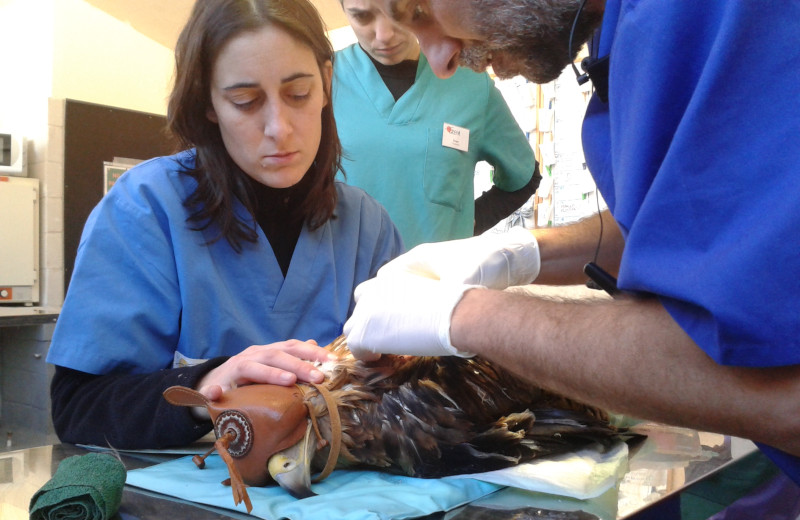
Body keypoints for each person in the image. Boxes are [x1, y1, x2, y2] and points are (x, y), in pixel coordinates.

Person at [343, 0, 800, 486]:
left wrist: (468, 316)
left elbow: (783, 396)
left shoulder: (712, 16)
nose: (439, 60)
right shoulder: (619, 31)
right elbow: (698, 226)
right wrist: (519, 254)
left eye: (418, 9)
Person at [46, 0, 404, 449]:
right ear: (210, 104)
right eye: (245, 101)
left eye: (298, 94)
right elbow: (79, 407)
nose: (280, 127)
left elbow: (406, 389)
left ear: (327, 83)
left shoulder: (366, 228)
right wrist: (208, 386)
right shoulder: (147, 210)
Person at [332, 0, 540, 248]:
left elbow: (524, 177)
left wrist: (466, 225)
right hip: (344, 283)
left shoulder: (471, 86)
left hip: (438, 283)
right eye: (363, 17)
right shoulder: (322, 80)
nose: (384, 34)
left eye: (397, 14)